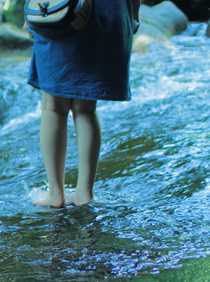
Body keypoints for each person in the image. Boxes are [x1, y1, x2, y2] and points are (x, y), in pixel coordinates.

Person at [27, 0, 141, 207]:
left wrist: (31, 13)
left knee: (53, 107)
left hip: (63, 10)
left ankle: (55, 193)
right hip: (110, 14)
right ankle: (84, 193)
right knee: (86, 110)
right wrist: (133, 15)